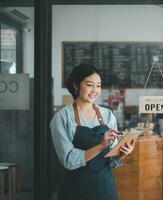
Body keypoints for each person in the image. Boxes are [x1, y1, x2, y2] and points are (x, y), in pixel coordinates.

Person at [50, 63, 134, 200]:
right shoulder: (62, 118)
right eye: (90, 85)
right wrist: (101, 146)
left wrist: (122, 154)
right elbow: (68, 160)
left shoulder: (107, 115)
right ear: (76, 86)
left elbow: (111, 161)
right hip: (76, 190)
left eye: (99, 85)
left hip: (105, 188)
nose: (95, 90)